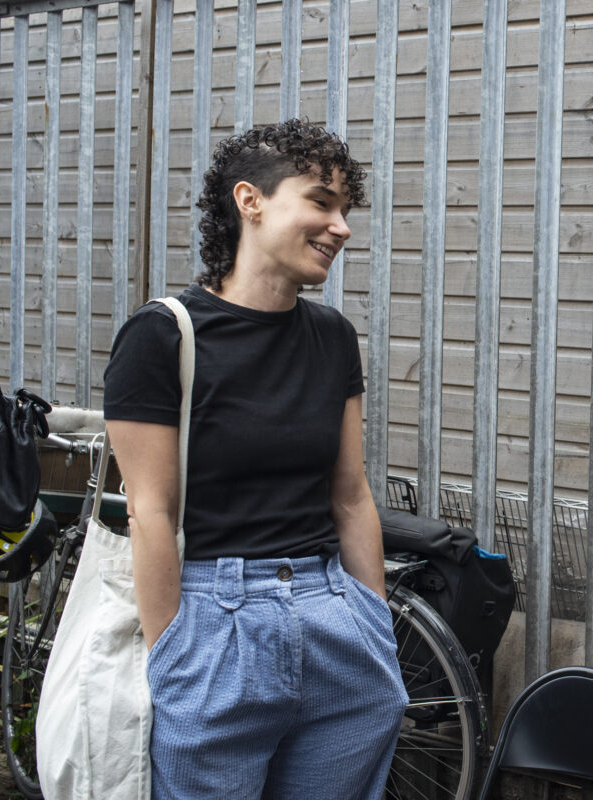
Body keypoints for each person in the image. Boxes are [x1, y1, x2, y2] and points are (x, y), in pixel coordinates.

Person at [103, 119, 406, 799]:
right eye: (321, 202)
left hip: (335, 624)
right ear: (251, 201)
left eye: (345, 210)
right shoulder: (163, 335)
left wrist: (373, 626)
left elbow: (350, 496)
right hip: (213, 627)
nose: (341, 227)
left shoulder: (332, 337)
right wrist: (173, 657)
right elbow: (151, 512)